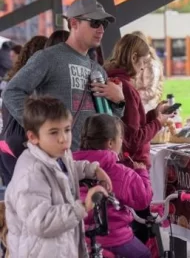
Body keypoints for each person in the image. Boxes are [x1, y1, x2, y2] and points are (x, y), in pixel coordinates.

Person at [2, 0, 125, 151]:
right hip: (59, 161)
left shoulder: (98, 70)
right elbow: (12, 92)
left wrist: (119, 101)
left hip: (92, 163)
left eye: (104, 23)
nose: (101, 29)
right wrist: (40, 129)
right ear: (74, 23)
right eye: (94, 22)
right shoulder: (48, 57)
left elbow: (109, 123)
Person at [5, 96, 112, 258]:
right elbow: (41, 222)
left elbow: (64, 170)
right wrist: (82, 206)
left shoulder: (58, 154)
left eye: (67, 130)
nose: (63, 138)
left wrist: (91, 169)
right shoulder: (30, 173)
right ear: (33, 137)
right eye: (54, 132)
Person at [104, 34, 173, 244]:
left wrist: (153, 115)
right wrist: (158, 122)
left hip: (123, 165)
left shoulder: (113, 81)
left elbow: (130, 125)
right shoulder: (126, 88)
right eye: (142, 63)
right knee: (140, 230)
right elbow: (134, 138)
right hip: (133, 168)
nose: (143, 69)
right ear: (133, 58)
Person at [73, 114, 152, 258]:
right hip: (115, 239)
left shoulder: (72, 166)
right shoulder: (122, 173)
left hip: (79, 239)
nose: (122, 141)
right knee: (145, 254)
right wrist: (142, 173)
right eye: (120, 137)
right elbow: (143, 200)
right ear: (110, 143)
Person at [0, 35, 48, 186]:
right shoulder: (37, 83)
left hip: (5, 143)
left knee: (12, 201)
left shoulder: (14, 79)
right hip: (21, 146)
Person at [132, 31, 164, 113]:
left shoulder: (151, 64)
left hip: (148, 109)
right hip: (138, 106)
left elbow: (151, 92)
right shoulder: (137, 61)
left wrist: (131, 94)